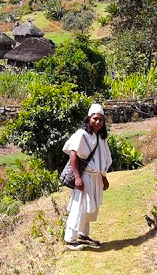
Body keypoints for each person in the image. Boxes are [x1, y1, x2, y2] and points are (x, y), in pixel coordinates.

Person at [62, 103, 112, 250]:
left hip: (96, 178)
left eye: (100, 120)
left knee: (90, 207)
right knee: (80, 207)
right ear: (89, 118)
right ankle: (70, 239)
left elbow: (102, 159)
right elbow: (73, 154)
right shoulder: (82, 135)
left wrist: (103, 177)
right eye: (95, 119)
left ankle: (83, 235)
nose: (97, 122)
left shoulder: (100, 138)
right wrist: (77, 177)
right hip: (85, 177)